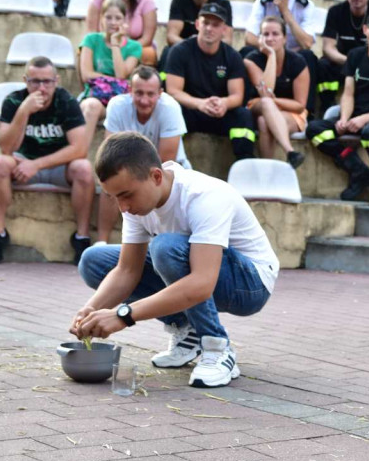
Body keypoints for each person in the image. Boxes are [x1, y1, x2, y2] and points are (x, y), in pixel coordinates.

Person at [73, 131, 279, 388]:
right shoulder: (137, 204)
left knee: (166, 248)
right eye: (114, 198)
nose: (122, 207)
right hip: (198, 270)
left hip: (250, 283)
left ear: (156, 176)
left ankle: (216, 347)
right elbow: (127, 271)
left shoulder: (203, 195)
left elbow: (202, 283)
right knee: (94, 261)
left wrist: (122, 315)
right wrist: (91, 310)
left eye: (126, 195)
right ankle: (187, 330)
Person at [0, 56, 94, 265]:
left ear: (57, 80)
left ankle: (82, 237)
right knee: (0, 163)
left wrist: (36, 164)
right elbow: (7, 148)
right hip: (21, 164)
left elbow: (80, 148)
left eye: (47, 82)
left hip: (57, 167)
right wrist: (24, 112)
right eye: (35, 81)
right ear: (25, 80)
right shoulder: (13, 101)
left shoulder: (66, 101)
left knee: (84, 168)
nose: (42, 88)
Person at [305, 10, 369, 207]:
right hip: (354, 116)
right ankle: (357, 169)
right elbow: (348, 93)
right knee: (315, 130)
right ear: (365, 30)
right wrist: (344, 118)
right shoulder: (355, 56)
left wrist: (364, 119)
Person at [96, 65, 189, 244]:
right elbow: (109, 154)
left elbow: (166, 160)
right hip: (130, 169)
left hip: (170, 170)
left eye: (150, 94)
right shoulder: (117, 105)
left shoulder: (170, 108)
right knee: (111, 183)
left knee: (150, 188)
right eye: (139, 93)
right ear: (130, 91)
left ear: (160, 93)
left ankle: (164, 246)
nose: (144, 100)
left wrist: (137, 180)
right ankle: (102, 242)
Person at [165, 2, 255, 163]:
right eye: (205, 23)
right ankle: (168, 164)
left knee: (243, 115)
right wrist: (199, 103)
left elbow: (237, 95)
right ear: (198, 24)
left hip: (219, 112)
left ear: (224, 30)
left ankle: (245, 164)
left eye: (215, 25)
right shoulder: (179, 51)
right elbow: (173, 91)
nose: (209, 28)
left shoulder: (232, 56)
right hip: (191, 110)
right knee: (171, 110)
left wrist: (224, 103)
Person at [239, 0, 320, 109]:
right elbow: (249, 37)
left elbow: (307, 43)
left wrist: (285, 12)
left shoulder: (305, 5)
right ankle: (245, 105)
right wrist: (270, 48)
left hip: (292, 57)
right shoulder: (262, 3)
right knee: (245, 53)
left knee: (308, 56)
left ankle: (308, 111)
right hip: (265, 53)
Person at [316, 0, 369, 114]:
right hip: (342, 62)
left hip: (368, 62)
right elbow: (327, 47)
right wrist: (349, 61)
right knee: (323, 65)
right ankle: (326, 104)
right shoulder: (335, 11)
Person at [78, 0, 142, 151]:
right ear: (101, 18)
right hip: (95, 96)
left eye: (118, 18)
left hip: (121, 99)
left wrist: (115, 43)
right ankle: (79, 154)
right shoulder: (91, 40)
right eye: (108, 17)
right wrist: (113, 80)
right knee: (91, 106)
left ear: (125, 20)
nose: (113, 22)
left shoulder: (134, 47)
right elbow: (86, 74)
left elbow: (121, 74)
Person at [244, 17, 308, 168]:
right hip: (258, 105)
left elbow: (300, 105)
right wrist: (271, 55)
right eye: (265, 34)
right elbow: (267, 92)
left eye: (275, 34)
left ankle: (267, 173)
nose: (270, 38)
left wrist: (275, 101)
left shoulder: (298, 62)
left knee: (264, 122)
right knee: (266, 102)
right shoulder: (251, 60)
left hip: (290, 111)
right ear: (259, 38)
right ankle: (290, 152)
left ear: (285, 38)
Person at [160, 0, 232, 71]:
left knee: (233, 57)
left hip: (213, 50)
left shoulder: (222, 4)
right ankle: (163, 84)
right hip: (185, 49)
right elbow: (171, 36)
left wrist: (208, 47)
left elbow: (227, 39)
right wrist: (193, 47)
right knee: (168, 52)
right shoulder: (179, 1)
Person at [84, 0, 158, 65]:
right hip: (104, 46)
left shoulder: (146, 0)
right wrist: (108, 48)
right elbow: (91, 32)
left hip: (134, 46)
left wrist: (125, 48)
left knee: (148, 53)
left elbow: (147, 38)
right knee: (83, 50)